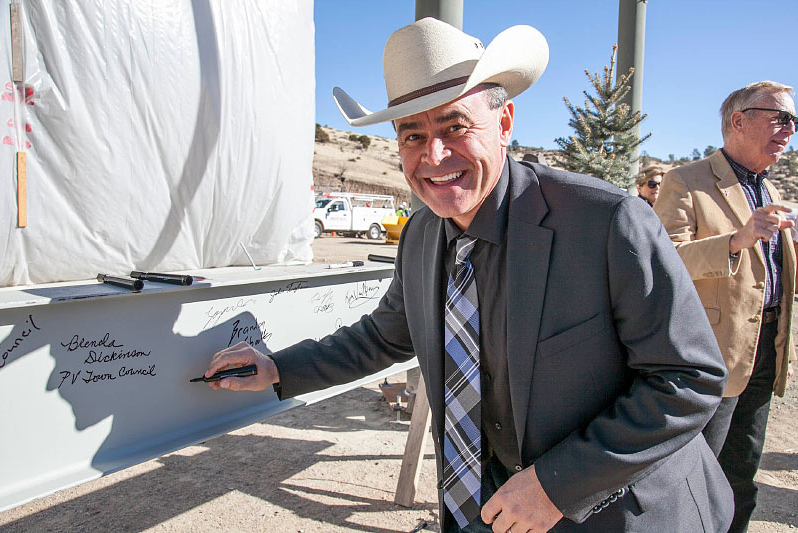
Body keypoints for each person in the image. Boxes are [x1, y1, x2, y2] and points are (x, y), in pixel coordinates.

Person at [205, 18, 732, 532]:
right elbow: (384, 336)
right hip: (480, 509)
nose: (434, 156)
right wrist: (278, 368)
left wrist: (556, 484)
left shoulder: (605, 222)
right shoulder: (420, 236)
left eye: (455, 126)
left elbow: (687, 378)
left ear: (504, 124)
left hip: (617, 516)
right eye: (412, 135)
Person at [654, 80, 797, 533]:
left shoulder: (771, 192)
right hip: (709, 355)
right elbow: (665, 261)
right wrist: (736, 240)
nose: (789, 129)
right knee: (698, 475)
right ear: (739, 120)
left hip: (763, 352)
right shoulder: (687, 181)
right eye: (780, 117)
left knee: (742, 473)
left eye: (793, 121)